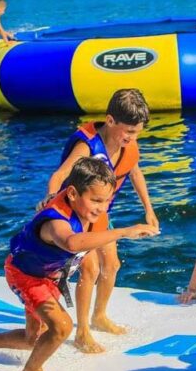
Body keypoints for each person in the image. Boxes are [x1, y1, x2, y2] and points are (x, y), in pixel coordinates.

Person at [0, 158, 159, 371]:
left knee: (34, 338)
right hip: (26, 276)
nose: (102, 208)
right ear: (72, 193)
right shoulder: (55, 221)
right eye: (96, 200)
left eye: (107, 201)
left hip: (49, 276)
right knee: (62, 326)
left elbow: (87, 248)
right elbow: (72, 243)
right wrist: (124, 232)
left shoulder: (85, 211)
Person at [42, 89, 159, 353]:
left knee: (112, 264)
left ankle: (99, 315)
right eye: (128, 132)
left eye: (137, 133)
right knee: (90, 269)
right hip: (76, 216)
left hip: (99, 213)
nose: (132, 138)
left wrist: (148, 209)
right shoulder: (87, 146)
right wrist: (49, 201)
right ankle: (82, 331)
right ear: (110, 120)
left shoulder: (128, 143)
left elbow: (134, 171)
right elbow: (59, 176)